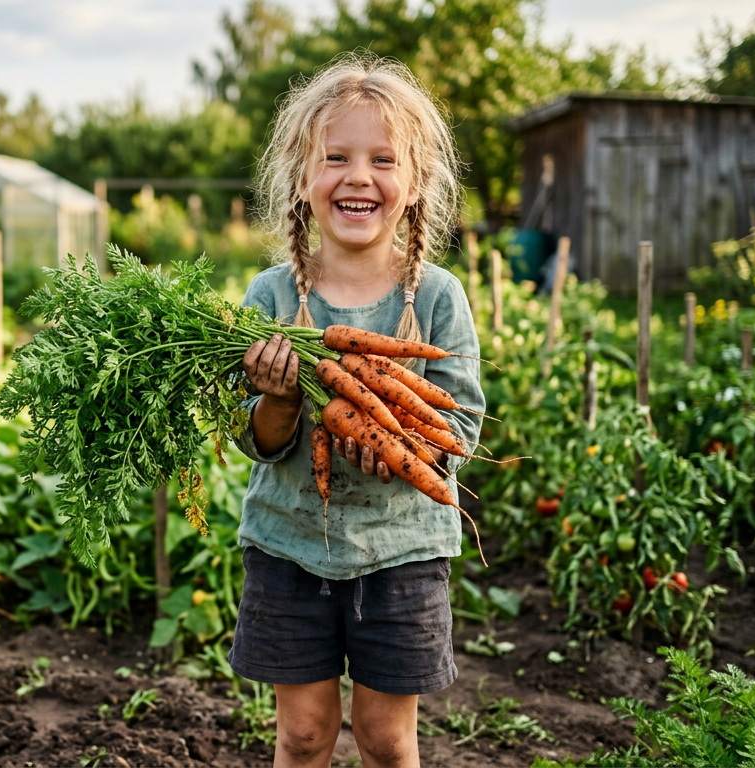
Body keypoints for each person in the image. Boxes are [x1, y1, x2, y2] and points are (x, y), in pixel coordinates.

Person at [230, 54, 485, 768]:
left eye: (382, 159)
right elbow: (250, 434)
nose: (358, 176)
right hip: (287, 544)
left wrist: (408, 446)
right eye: (336, 157)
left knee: (385, 737)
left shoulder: (437, 298)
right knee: (303, 735)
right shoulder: (270, 300)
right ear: (302, 178)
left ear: (414, 184)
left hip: (404, 549)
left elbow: (459, 424)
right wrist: (279, 398)